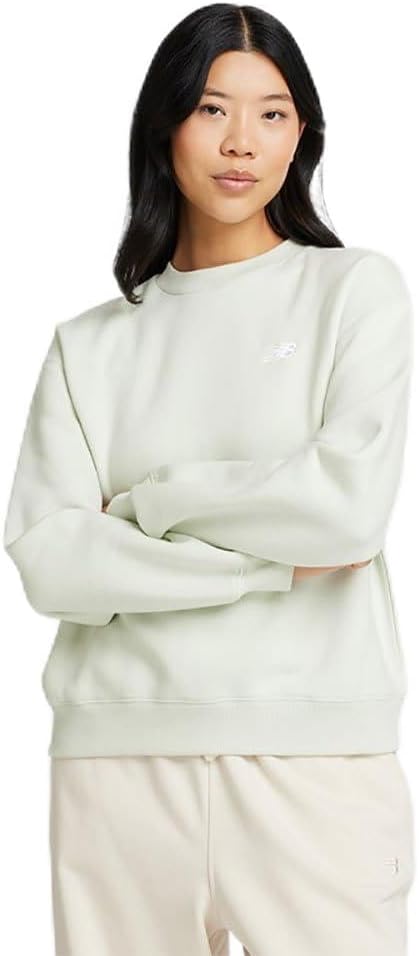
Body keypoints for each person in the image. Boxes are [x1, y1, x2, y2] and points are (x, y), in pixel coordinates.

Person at [3, 4, 415, 954]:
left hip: (313, 758)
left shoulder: (352, 292)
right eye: (211, 109)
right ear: (164, 126)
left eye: (272, 114)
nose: (241, 143)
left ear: (301, 135)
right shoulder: (87, 345)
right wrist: (263, 566)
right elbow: (53, 561)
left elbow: (343, 511)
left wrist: (146, 506)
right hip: (113, 760)